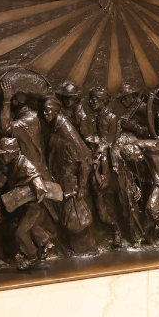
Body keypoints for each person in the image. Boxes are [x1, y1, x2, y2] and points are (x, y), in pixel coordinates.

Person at [42, 97, 95, 253]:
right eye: (44, 111)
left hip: (71, 182)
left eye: (48, 111)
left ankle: (85, 250)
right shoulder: (55, 126)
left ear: (57, 111)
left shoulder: (66, 129)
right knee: (67, 217)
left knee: (76, 219)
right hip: (62, 178)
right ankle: (73, 249)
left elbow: (85, 158)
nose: (45, 114)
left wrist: (82, 187)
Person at [0, 137, 55, 270]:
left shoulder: (24, 163)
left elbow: (35, 175)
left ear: (14, 153)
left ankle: (31, 257)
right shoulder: (12, 164)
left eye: (3, 154)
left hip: (32, 206)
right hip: (24, 205)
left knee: (21, 232)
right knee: (31, 228)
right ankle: (47, 243)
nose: (1, 157)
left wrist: (39, 188)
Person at [86, 87, 123, 245]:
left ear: (103, 101)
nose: (92, 102)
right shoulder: (96, 116)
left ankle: (119, 230)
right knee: (101, 212)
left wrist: (97, 142)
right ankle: (113, 227)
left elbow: (110, 141)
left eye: (95, 99)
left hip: (108, 161)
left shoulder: (111, 117)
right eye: (91, 99)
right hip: (97, 157)